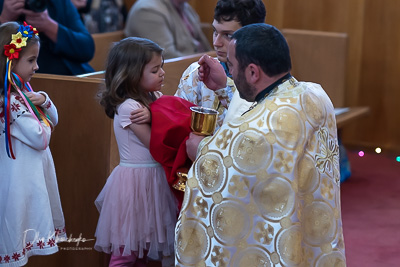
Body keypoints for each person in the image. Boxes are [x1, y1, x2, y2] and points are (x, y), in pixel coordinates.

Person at [175, 23, 347, 266]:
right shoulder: (315, 95)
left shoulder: (252, 131)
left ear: (253, 72)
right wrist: (227, 85)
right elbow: (267, 99)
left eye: (232, 67)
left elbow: (219, 169)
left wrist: (200, 149)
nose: (231, 73)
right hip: (309, 223)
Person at [94, 37, 177, 267]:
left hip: (153, 182)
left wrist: (156, 115)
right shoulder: (129, 107)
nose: (161, 73)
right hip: (134, 185)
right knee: (125, 253)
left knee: (142, 251)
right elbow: (156, 143)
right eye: (154, 69)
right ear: (132, 74)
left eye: (162, 67)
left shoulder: (155, 98)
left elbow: (170, 123)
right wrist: (159, 117)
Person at [0, 21, 66, 266]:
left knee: (23, 233)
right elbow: (41, 137)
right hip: (18, 181)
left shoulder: (23, 91)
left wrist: (44, 100)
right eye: (31, 60)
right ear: (10, 61)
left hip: (30, 178)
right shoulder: (10, 101)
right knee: (15, 231)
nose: (37, 67)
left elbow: (54, 117)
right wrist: (44, 118)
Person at [174, 0, 266, 129]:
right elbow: (176, 123)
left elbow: (257, 132)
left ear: (253, 37)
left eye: (228, 35)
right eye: (215, 32)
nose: (216, 42)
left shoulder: (268, 80)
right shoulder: (197, 71)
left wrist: (224, 88)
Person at [0, 0, 95, 75]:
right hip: (22, 83)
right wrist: (5, 19)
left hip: (72, 78)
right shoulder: (5, 5)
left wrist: (49, 26)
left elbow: (87, 49)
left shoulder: (59, 2)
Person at [124, 0, 212, 59]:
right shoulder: (147, 10)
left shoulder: (183, 5)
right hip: (175, 76)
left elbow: (203, 45)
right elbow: (166, 56)